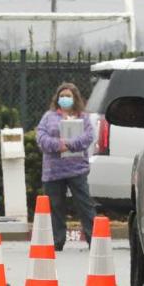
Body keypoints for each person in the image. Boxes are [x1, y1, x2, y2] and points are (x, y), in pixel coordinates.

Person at [36, 82, 97, 251]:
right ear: (57, 98)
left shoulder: (82, 117)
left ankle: (94, 239)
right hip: (53, 171)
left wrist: (69, 144)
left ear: (75, 98)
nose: (65, 99)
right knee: (54, 206)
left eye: (68, 96)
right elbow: (41, 137)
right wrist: (58, 145)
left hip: (77, 169)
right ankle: (57, 241)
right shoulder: (48, 116)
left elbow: (88, 136)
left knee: (85, 205)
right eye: (62, 96)